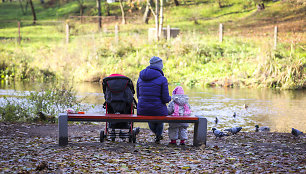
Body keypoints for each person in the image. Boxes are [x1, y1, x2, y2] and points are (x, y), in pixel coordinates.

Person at [136, 56, 171, 143]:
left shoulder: (140, 78)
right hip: (158, 110)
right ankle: (158, 135)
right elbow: (166, 99)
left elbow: (138, 95)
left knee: (150, 115)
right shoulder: (163, 79)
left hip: (143, 109)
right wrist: (171, 98)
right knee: (159, 116)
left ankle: (157, 134)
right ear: (159, 66)